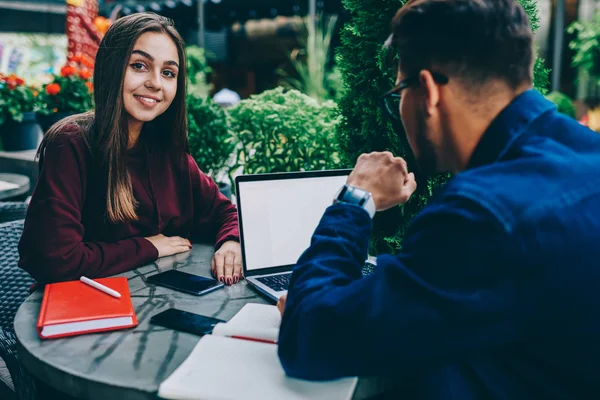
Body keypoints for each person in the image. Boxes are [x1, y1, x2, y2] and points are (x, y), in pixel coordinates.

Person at [276, 0, 600, 398]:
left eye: (398, 92)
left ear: (427, 92)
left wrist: (355, 198)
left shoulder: (480, 212)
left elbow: (309, 338)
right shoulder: (588, 153)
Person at [19, 13, 243, 286]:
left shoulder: (167, 151)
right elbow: (55, 259)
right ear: (111, 69)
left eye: (168, 73)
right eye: (139, 65)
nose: (156, 83)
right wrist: (148, 246)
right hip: (86, 311)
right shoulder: (70, 144)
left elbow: (225, 212)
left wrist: (231, 242)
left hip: (155, 302)